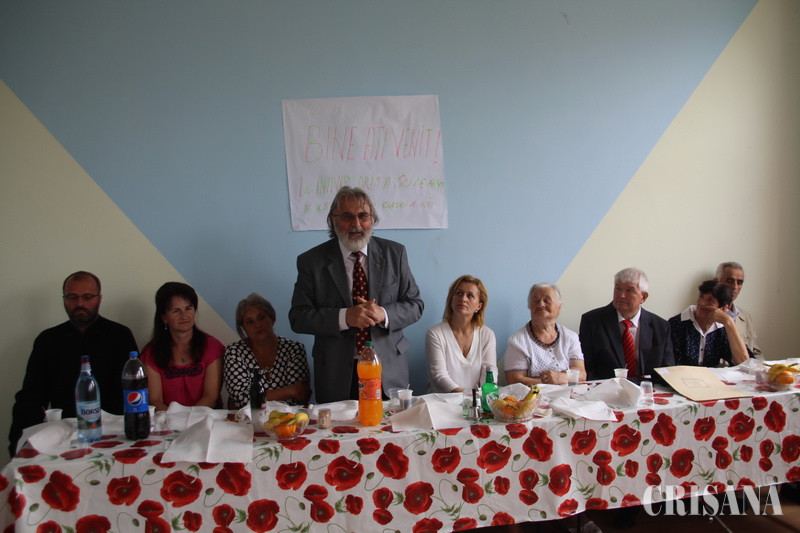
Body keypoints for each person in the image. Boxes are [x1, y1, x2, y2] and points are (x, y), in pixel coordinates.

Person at [289, 186, 424, 404]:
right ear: (332, 220)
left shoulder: (395, 253)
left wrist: (384, 314)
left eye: (363, 216)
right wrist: (345, 317)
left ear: (372, 219)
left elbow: (415, 305)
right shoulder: (311, 261)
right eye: (347, 216)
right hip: (336, 373)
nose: (356, 224)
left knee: (391, 426)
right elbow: (298, 317)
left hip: (387, 369)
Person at [9, 271, 137, 455]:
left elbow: (134, 392)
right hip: (64, 437)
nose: (80, 303)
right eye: (72, 297)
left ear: (99, 299)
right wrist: (20, 444)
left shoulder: (120, 335)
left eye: (87, 297)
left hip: (117, 435)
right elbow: (31, 398)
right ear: (64, 299)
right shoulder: (48, 340)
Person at [141, 282, 224, 411]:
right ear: (164, 318)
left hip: (206, 417)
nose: (184, 316)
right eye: (176, 311)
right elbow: (155, 400)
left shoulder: (212, 347)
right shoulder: (151, 353)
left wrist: (187, 418)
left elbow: (211, 397)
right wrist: (176, 420)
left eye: (188, 308)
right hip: (168, 420)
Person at [580, 268, 674, 381]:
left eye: (629, 290)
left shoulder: (661, 327)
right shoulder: (592, 321)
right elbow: (587, 368)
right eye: (618, 289)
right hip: (606, 387)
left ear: (643, 297)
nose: (621, 295)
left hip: (647, 388)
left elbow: (667, 370)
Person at [224, 293, 311, 408]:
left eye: (261, 317)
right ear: (243, 328)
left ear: (272, 318)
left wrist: (257, 398)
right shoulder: (234, 352)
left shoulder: (294, 349)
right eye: (250, 322)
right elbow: (242, 400)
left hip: (288, 417)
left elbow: (299, 397)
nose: (257, 325)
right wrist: (290, 390)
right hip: (249, 418)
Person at [504, 283, 585, 386]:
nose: (541, 304)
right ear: (530, 307)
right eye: (536, 301)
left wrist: (561, 377)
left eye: (547, 300)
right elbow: (514, 380)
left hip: (570, 394)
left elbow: (582, 375)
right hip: (534, 395)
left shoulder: (570, 337)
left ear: (559, 307)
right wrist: (554, 381)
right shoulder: (517, 342)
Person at [426, 275, 496, 393]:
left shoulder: (487, 334)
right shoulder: (435, 333)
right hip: (442, 401)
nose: (463, 298)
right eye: (459, 293)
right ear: (451, 300)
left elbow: (489, 371)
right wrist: (466, 396)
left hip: (476, 400)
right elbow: (439, 375)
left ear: (479, 305)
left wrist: (482, 396)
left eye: (470, 295)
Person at [669, 280, 751, 367]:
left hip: (711, 375)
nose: (702, 303)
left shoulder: (721, 329)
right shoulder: (677, 324)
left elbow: (744, 363)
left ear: (723, 309)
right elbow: (671, 364)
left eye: (710, 300)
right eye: (701, 297)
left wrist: (729, 321)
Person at [714, 261, 761, 357]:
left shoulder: (745, 317)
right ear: (716, 282)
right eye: (729, 281)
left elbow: (756, 353)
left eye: (739, 282)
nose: (734, 287)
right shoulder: (703, 314)